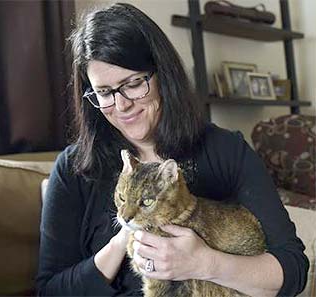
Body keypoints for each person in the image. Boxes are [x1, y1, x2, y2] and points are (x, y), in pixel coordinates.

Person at [36, 3, 309, 296]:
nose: (122, 104)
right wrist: (125, 237)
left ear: (162, 75)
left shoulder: (226, 151)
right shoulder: (74, 167)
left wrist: (205, 263)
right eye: (104, 92)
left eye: (133, 84)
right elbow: (49, 290)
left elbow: (293, 270)